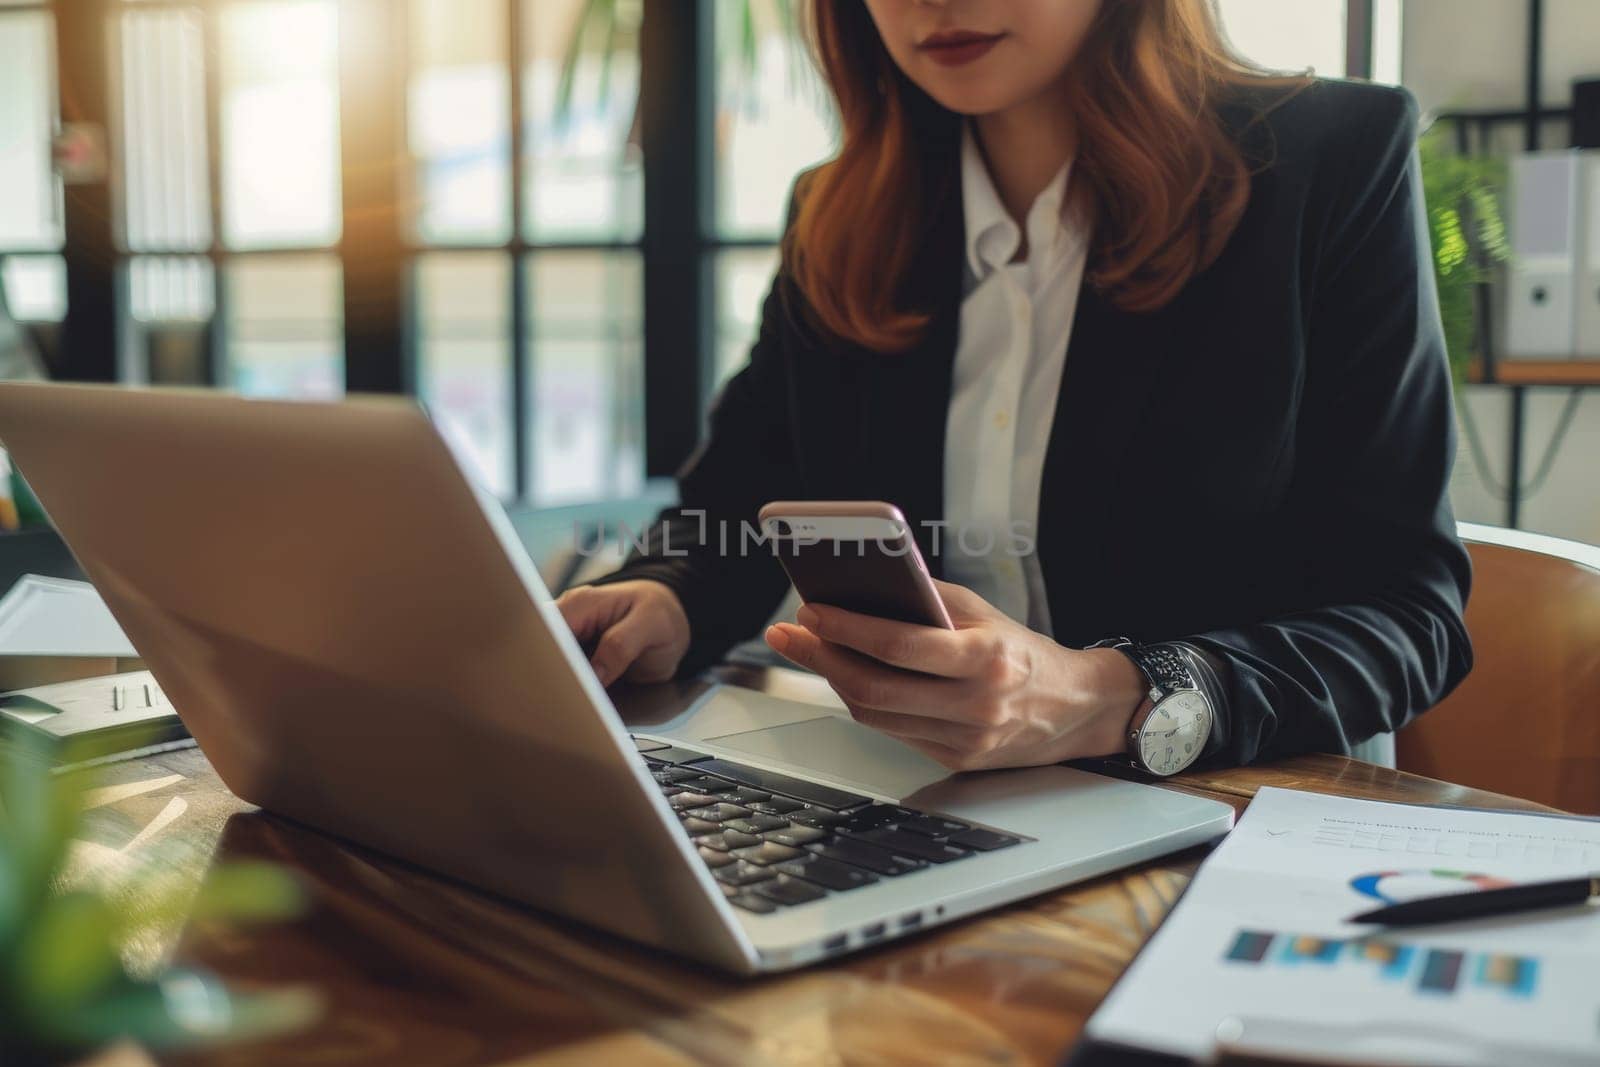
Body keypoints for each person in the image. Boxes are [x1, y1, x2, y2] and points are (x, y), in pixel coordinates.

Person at [557, 0, 1472, 775]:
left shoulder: (1332, 166)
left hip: (1241, 811)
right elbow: (738, 505)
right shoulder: (840, 214)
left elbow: (1408, 614)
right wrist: (667, 598)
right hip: (926, 802)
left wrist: (1103, 697)